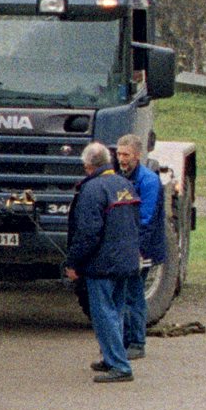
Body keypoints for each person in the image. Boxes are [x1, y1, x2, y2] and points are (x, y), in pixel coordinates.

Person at [63, 141, 146, 382]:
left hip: (102, 264)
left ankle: (119, 366)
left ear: (88, 166)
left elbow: (88, 232)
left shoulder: (92, 189)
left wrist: (73, 262)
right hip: (126, 260)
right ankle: (113, 357)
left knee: (104, 314)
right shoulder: (125, 184)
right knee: (117, 310)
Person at [116, 130, 166, 365]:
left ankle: (137, 342)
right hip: (126, 245)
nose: (121, 158)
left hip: (142, 247)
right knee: (123, 294)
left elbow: (146, 219)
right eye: (119, 153)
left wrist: (137, 250)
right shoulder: (120, 176)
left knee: (134, 294)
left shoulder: (148, 181)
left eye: (126, 154)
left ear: (137, 156)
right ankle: (125, 341)